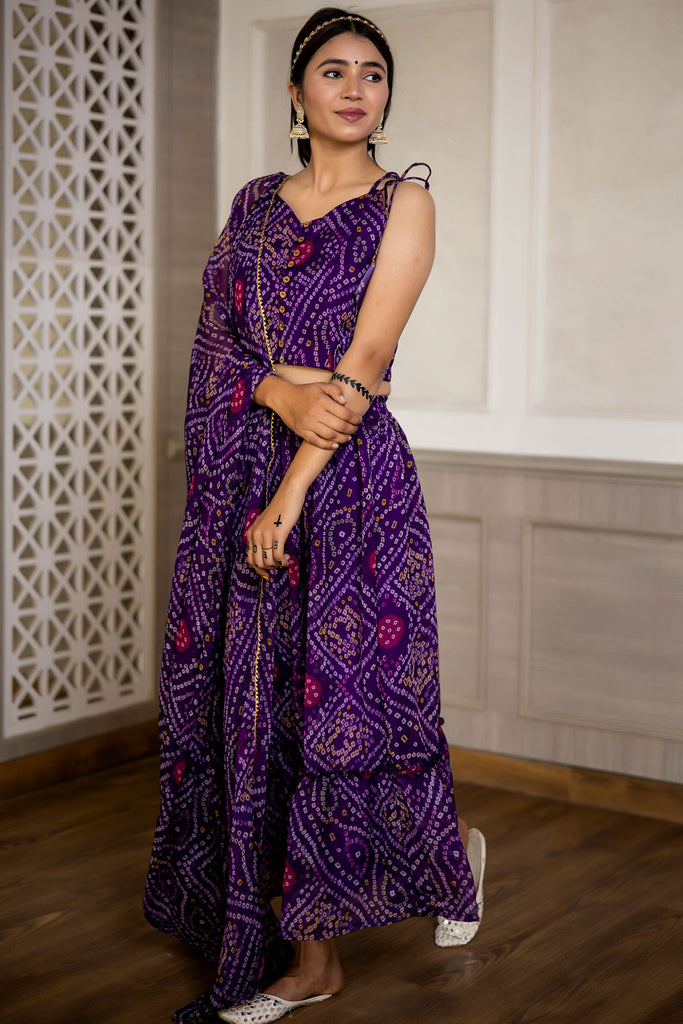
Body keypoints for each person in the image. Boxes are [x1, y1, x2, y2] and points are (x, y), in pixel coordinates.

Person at [143, 7, 487, 1023]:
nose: (353, 87)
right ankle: (304, 947)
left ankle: (344, 938)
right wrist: (272, 390)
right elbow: (215, 347)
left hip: (345, 487)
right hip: (237, 479)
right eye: (332, 71)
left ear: (385, 97)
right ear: (295, 93)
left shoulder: (403, 202)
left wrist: (292, 486)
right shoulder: (254, 205)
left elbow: (364, 364)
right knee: (255, 706)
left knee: (340, 706)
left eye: (371, 73)